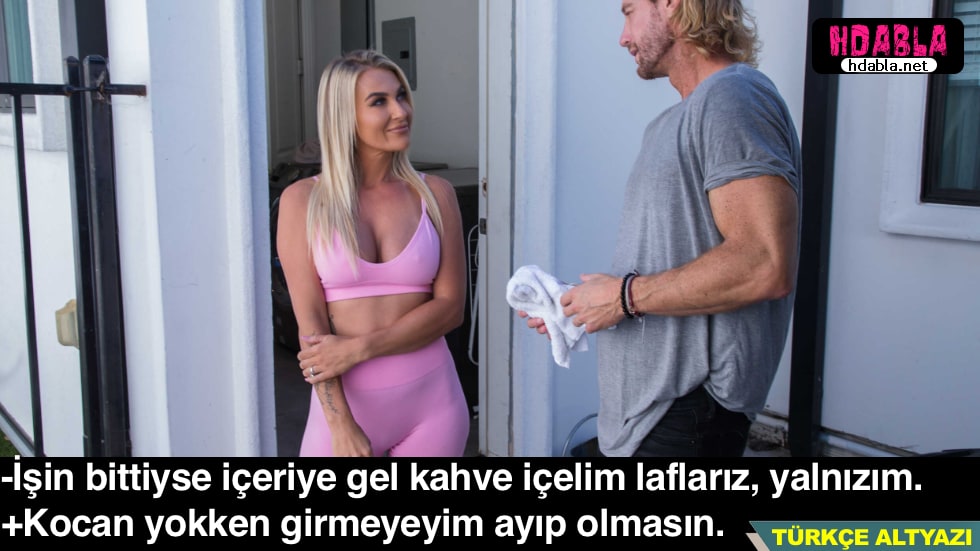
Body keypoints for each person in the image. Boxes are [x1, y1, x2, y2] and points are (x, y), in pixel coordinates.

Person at [521, 0, 802, 457]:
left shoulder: (734, 97)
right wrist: (582, 303)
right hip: (646, 415)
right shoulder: (670, 123)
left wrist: (622, 297)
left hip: (688, 412)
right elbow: (671, 268)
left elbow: (763, 264)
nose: (623, 38)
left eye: (629, 11)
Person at [277, 50, 470, 457]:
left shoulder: (435, 195)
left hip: (434, 409)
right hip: (344, 414)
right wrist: (340, 425)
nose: (401, 111)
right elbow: (311, 329)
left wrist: (357, 348)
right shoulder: (302, 202)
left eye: (401, 96)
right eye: (379, 101)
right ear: (344, 115)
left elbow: (451, 309)